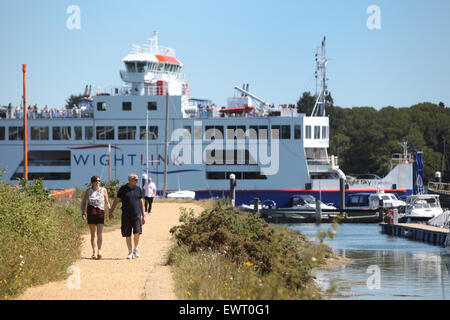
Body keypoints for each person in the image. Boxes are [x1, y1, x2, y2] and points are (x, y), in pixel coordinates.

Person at [110, 173, 146, 259]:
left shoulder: (138, 189)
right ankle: (130, 252)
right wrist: (111, 211)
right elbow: (116, 200)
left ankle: (136, 248)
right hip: (126, 215)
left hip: (137, 214)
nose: (137, 181)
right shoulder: (123, 189)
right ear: (130, 179)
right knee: (127, 234)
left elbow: (141, 202)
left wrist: (143, 215)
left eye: (137, 179)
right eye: (135, 179)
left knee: (137, 232)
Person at [81, 176, 111, 259]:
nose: (98, 182)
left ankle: (99, 250)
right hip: (91, 213)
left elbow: (107, 202)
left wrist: (110, 211)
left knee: (99, 233)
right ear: (92, 182)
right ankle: (94, 252)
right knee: (93, 234)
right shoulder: (88, 191)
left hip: (100, 213)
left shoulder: (103, 190)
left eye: (99, 181)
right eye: (96, 181)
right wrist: (83, 212)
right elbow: (84, 202)